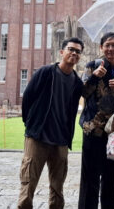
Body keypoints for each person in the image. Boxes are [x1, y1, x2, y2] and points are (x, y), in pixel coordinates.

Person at [18, 37, 85, 209]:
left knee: (57, 188)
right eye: (71, 49)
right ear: (62, 52)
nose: (74, 53)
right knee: (28, 184)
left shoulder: (77, 83)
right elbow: (28, 97)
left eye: (78, 51)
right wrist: (31, 124)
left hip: (60, 141)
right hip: (38, 137)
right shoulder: (46, 72)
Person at [79, 32, 114, 209]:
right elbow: (83, 93)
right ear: (101, 47)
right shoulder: (92, 65)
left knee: (111, 179)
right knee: (89, 180)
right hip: (93, 130)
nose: (110, 49)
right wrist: (94, 77)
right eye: (107, 45)